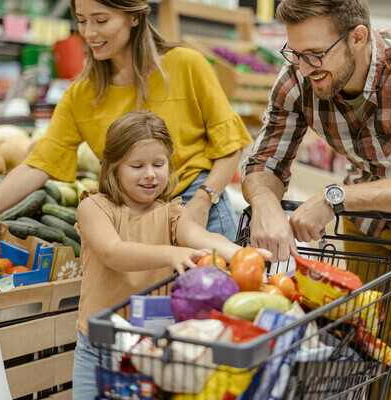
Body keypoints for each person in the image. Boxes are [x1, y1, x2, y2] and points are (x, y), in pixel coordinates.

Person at [241, 0, 391, 399]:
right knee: (365, 343)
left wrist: (335, 197)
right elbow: (263, 163)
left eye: (315, 54)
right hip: (365, 224)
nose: (303, 67)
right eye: (294, 54)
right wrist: (265, 205)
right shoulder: (297, 80)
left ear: (358, 37)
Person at [0, 0, 251, 244]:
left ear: (135, 16)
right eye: (81, 20)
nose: (89, 33)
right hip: (132, 219)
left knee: (205, 322)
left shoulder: (185, 65)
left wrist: (202, 201)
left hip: (198, 207)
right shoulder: (82, 95)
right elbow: (37, 166)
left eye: (101, 20)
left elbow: (230, 145)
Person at [73, 110, 267, 400]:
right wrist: (171, 253)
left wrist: (243, 255)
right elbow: (112, 252)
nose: (150, 174)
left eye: (159, 164)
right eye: (137, 165)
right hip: (97, 346)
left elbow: (202, 237)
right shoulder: (95, 207)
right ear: (113, 168)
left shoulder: (171, 212)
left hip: (152, 350)